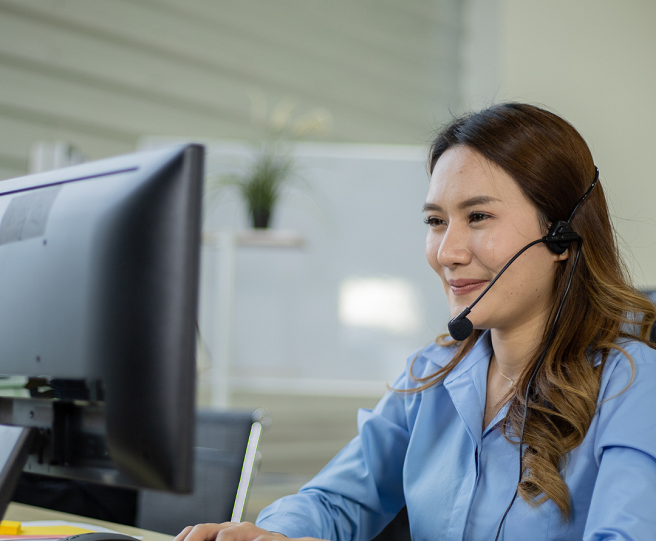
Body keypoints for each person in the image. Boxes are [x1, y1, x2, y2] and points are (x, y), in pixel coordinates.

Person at [175, 103, 656, 541]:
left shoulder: (631, 384)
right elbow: (336, 500)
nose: (447, 253)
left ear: (562, 237)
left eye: (479, 216)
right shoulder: (435, 374)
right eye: (435, 221)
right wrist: (272, 536)